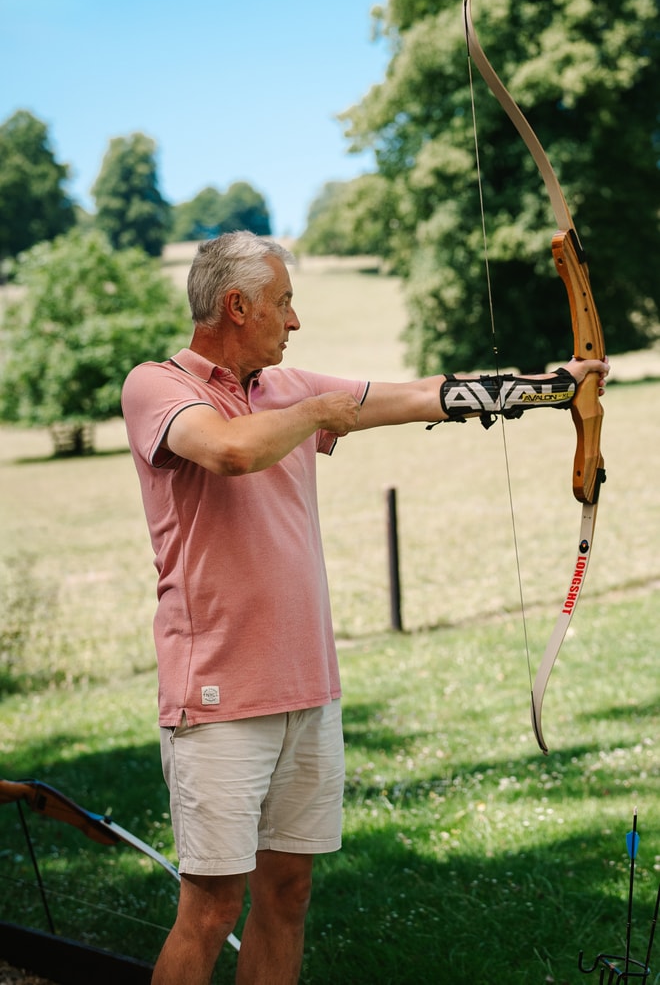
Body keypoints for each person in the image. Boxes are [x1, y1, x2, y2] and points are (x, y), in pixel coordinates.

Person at [121, 231, 608, 985]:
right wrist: (318, 411)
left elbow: (415, 396)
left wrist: (551, 387)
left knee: (287, 894)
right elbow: (230, 451)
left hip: (308, 687)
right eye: (284, 303)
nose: (295, 320)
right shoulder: (158, 387)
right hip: (216, 698)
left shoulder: (287, 390)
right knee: (211, 910)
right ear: (237, 306)